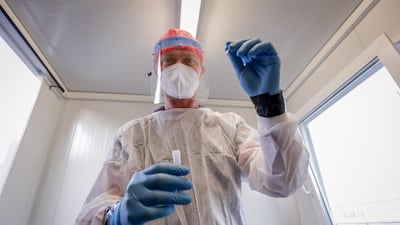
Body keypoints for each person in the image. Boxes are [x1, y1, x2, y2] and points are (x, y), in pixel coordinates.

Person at [75, 28, 309, 225]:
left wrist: (271, 104)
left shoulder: (229, 126)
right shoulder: (131, 134)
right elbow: (90, 212)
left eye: (188, 60)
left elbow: (282, 182)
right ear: (158, 71)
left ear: (200, 71)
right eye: (169, 61)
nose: (179, 68)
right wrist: (116, 215)